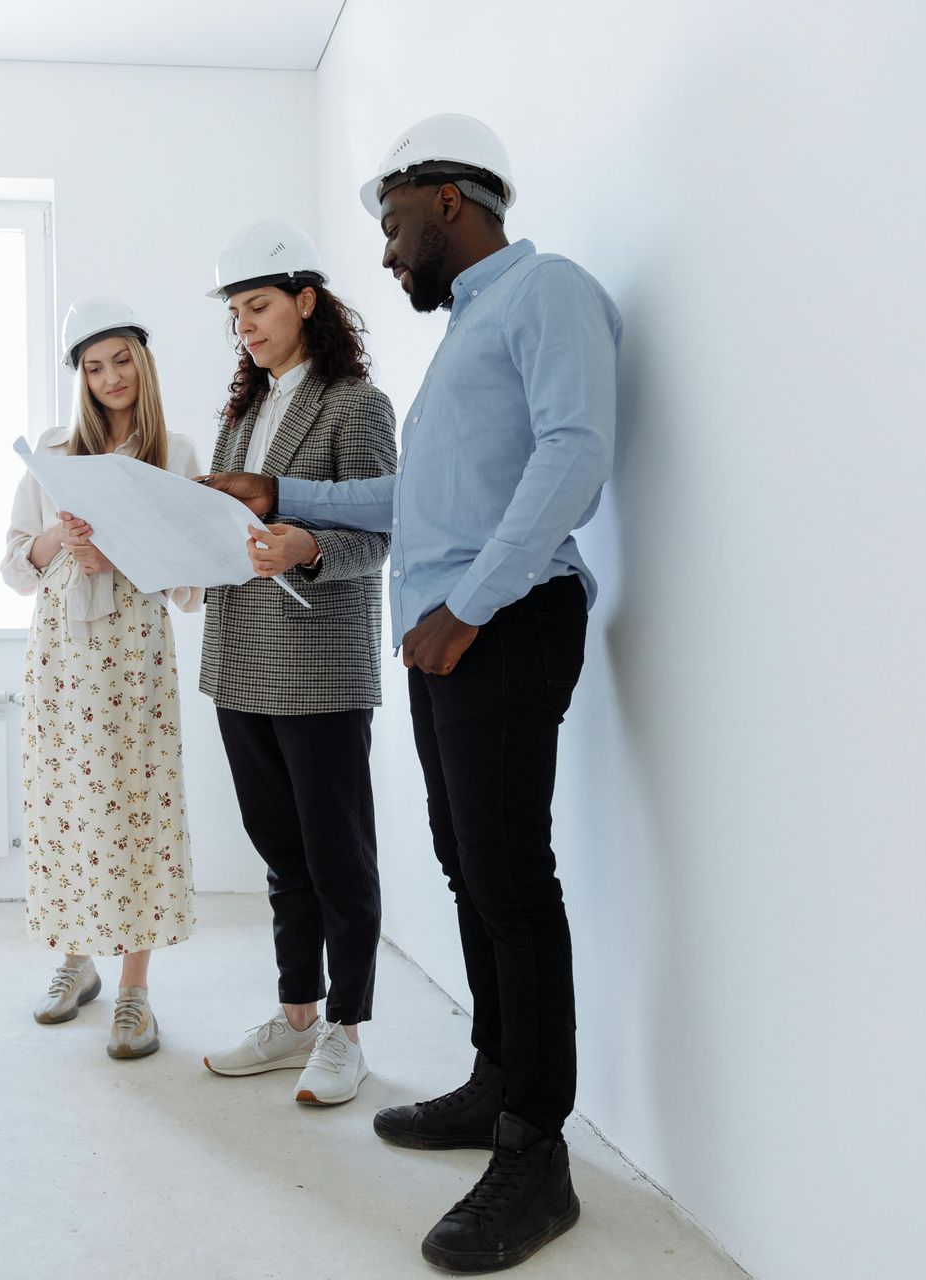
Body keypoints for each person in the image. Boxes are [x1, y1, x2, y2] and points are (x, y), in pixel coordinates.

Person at [205, 115, 622, 1273]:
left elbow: (576, 453)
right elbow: (415, 505)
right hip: (453, 637)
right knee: (466, 863)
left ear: (447, 197)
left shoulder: (550, 293)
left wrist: (472, 603)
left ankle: (536, 1155)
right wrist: (277, 485)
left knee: (510, 877)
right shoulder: (470, 333)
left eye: (393, 226)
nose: (386, 256)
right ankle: (495, 1080)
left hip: (509, 621)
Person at [193, 219, 397, 1106]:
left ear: (306, 301)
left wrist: (307, 543)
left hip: (319, 658)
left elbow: (382, 531)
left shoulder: (358, 404)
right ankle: (298, 1015)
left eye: (260, 306)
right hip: (239, 655)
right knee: (281, 852)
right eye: (236, 312)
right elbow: (219, 526)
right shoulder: (237, 413)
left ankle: (349, 1030)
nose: (245, 324)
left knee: (337, 855)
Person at [1, 294, 204, 1061]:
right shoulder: (53, 450)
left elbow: (191, 582)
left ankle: (134, 994)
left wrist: (120, 553)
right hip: (59, 656)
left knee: (133, 806)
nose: (111, 376)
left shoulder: (174, 453)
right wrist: (58, 537)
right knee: (65, 804)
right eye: (94, 365)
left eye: (122, 360)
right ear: (78, 376)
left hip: (132, 655)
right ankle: (76, 961)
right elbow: (13, 565)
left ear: (142, 363)